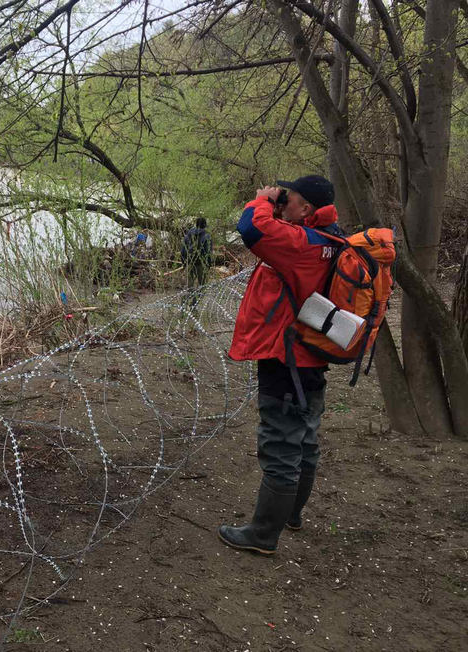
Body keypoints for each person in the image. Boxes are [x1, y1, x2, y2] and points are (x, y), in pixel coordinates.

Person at [219, 175, 345, 555]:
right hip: (309, 356)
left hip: (286, 356)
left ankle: (263, 535)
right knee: (304, 439)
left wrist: (260, 199)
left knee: (281, 442)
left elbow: (251, 228)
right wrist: (279, 205)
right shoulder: (328, 237)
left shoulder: (300, 243)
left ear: (307, 209)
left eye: (289, 199)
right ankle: (290, 515)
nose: (282, 202)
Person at [181, 217, 213, 302]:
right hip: (201, 264)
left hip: (189, 262)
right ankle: (194, 304)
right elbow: (208, 252)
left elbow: (183, 250)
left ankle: (183, 305)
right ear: (205, 225)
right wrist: (209, 265)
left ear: (196, 224)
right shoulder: (207, 235)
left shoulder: (188, 234)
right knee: (203, 286)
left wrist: (184, 263)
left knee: (188, 286)